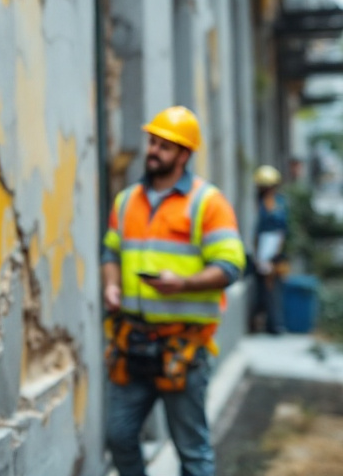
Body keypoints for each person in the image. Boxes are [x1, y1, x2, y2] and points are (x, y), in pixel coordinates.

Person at [101, 106, 246, 476]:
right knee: (118, 437)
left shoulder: (208, 203)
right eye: (153, 142)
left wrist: (183, 284)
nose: (153, 151)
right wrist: (111, 285)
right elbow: (111, 251)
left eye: (165, 146)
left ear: (184, 155)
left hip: (183, 347)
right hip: (131, 341)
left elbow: (231, 266)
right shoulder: (127, 200)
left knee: (192, 452)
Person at [251, 165, 289, 335]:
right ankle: (268, 323)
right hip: (264, 251)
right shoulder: (261, 204)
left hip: (272, 250)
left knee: (273, 288)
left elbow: (280, 232)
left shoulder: (278, 204)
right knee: (264, 289)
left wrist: (272, 255)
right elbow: (258, 233)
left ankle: (275, 325)